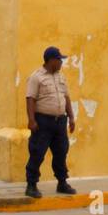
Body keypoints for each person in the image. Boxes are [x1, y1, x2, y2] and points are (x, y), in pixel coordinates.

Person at [25, 46, 76, 197]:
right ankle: (31, 184)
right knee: (37, 152)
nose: (61, 63)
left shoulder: (61, 76)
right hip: (43, 121)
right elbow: (30, 99)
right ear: (51, 60)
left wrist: (71, 117)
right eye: (59, 59)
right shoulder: (36, 77)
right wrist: (31, 120)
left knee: (61, 152)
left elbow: (66, 97)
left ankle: (62, 182)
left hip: (60, 121)